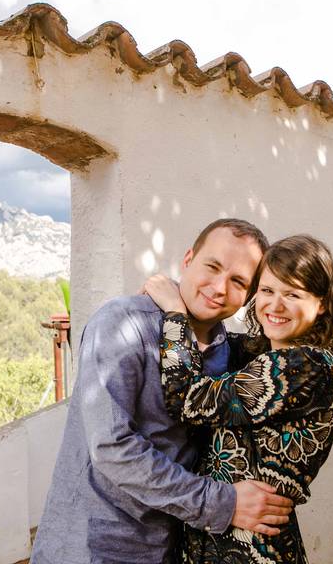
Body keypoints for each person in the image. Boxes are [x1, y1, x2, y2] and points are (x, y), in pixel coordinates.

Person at [32, 219, 296, 564]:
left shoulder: (229, 352)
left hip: (167, 547)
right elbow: (113, 447)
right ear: (188, 259)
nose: (219, 288)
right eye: (212, 267)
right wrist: (223, 503)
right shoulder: (123, 324)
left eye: (237, 281)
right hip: (94, 547)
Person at [144, 234, 333, 563]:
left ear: (323, 303)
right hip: (225, 536)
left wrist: (175, 311)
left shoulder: (306, 365)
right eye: (267, 290)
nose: (275, 305)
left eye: (293, 294)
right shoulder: (268, 352)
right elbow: (224, 343)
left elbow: (187, 399)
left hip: (248, 547)